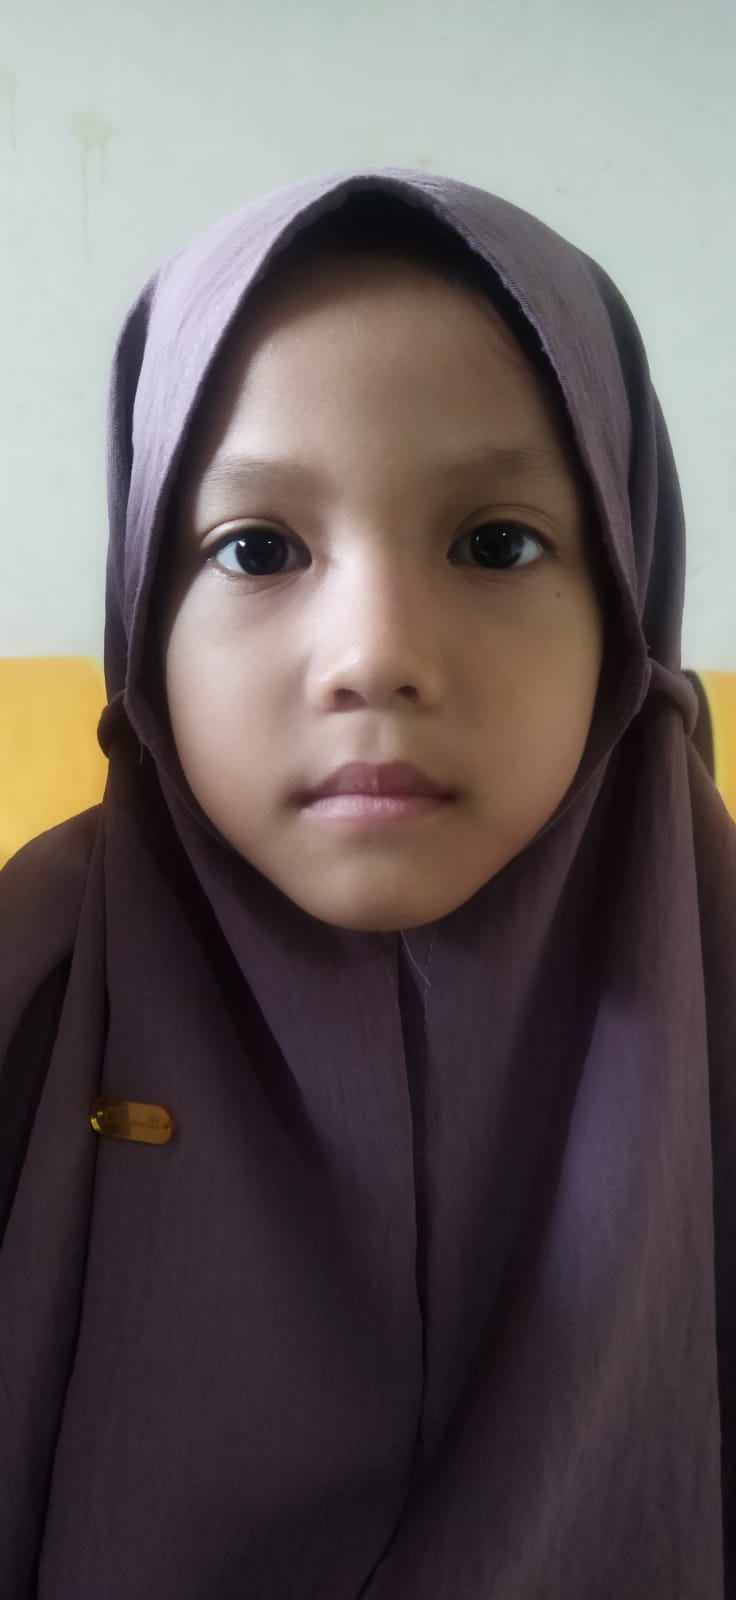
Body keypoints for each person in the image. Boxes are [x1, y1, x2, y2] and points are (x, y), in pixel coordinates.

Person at [1, 166, 734, 1599]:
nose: (375, 652)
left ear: (623, 607)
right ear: (145, 621)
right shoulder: (38, 981)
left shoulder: (717, 972)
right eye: (257, 549)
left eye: (496, 543)